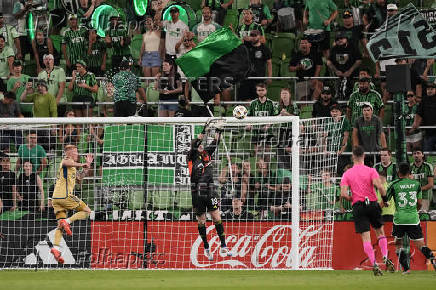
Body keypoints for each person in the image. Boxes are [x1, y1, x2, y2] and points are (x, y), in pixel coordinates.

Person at [340, 145, 395, 276]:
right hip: (372, 203)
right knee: (380, 232)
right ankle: (385, 256)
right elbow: (380, 187)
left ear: (353, 157)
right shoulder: (371, 171)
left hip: (358, 206)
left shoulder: (347, 173)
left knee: (366, 237)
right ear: (364, 156)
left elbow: (343, 193)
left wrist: (351, 197)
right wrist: (385, 199)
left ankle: (374, 263)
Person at [187, 126, 232, 260]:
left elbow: (216, 141)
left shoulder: (207, 153)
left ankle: (223, 246)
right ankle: (206, 247)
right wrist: (204, 130)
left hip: (210, 191)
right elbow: (195, 143)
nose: (201, 146)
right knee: (201, 221)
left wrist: (220, 129)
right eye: (199, 145)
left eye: (201, 145)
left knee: (216, 218)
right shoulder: (191, 156)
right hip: (197, 193)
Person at [386, 162, 436, 274]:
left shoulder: (394, 184)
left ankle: (406, 269)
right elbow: (419, 203)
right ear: (410, 173)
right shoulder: (416, 184)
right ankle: (432, 257)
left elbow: (386, 200)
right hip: (413, 218)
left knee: (398, 243)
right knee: (420, 245)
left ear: (398, 172)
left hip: (399, 219)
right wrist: (415, 211)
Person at [50, 144, 93, 264]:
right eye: (75, 152)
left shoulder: (72, 167)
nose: (77, 154)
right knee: (87, 211)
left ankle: (56, 248)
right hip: (65, 196)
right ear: (68, 153)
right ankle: (67, 222)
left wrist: (87, 166)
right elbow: (65, 163)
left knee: (60, 226)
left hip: (56, 199)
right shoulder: (66, 160)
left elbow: (80, 179)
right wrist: (81, 164)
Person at [327, 31, 362, 100]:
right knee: (339, 95)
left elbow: (359, 60)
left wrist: (350, 71)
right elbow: (329, 61)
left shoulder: (353, 47)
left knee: (354, 94)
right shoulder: (334, 49)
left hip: (353, 76)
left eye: (342, 38)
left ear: (346, 39)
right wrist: (336, 71)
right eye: (337, 39)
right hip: (339, 76)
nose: (339, 40)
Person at [239, 30, 272, 101]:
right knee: (245, 100)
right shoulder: (246, 47)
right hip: (246, 78)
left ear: (259, 36)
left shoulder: (265, 49)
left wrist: (270, 76)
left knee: (257, 100)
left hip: (259, 79)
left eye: (255, 35)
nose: (253, 37)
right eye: (251, 35)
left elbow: (269, 63)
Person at [352, 103, 386, 167]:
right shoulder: (357, 120)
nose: (366, 112)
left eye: (368, 110)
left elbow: (382, 134)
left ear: (371, 111)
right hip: (363, 151)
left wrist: (384, 150)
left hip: (376, 150)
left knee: (378, 169)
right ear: (362, 111)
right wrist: (356, 149)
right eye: (364, 110)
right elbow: (354, 135)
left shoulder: (377, 120)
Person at [410, 82, 436, 152]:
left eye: (432, 89)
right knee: (427, 152)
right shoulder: (424, 100)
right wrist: (415, 123)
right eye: (428, 89)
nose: (429, 91)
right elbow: (418, 113)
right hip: (428, 132)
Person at [410, 148, 434, 212]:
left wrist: (418, 189)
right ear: (412, 156)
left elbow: (431, 184)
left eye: (418, 153)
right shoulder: (410, 167)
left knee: (422, 216)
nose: (416, 155)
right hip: (412, 196)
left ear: (422, 155)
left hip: (425, 196)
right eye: (414, 154)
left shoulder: (428, 166)